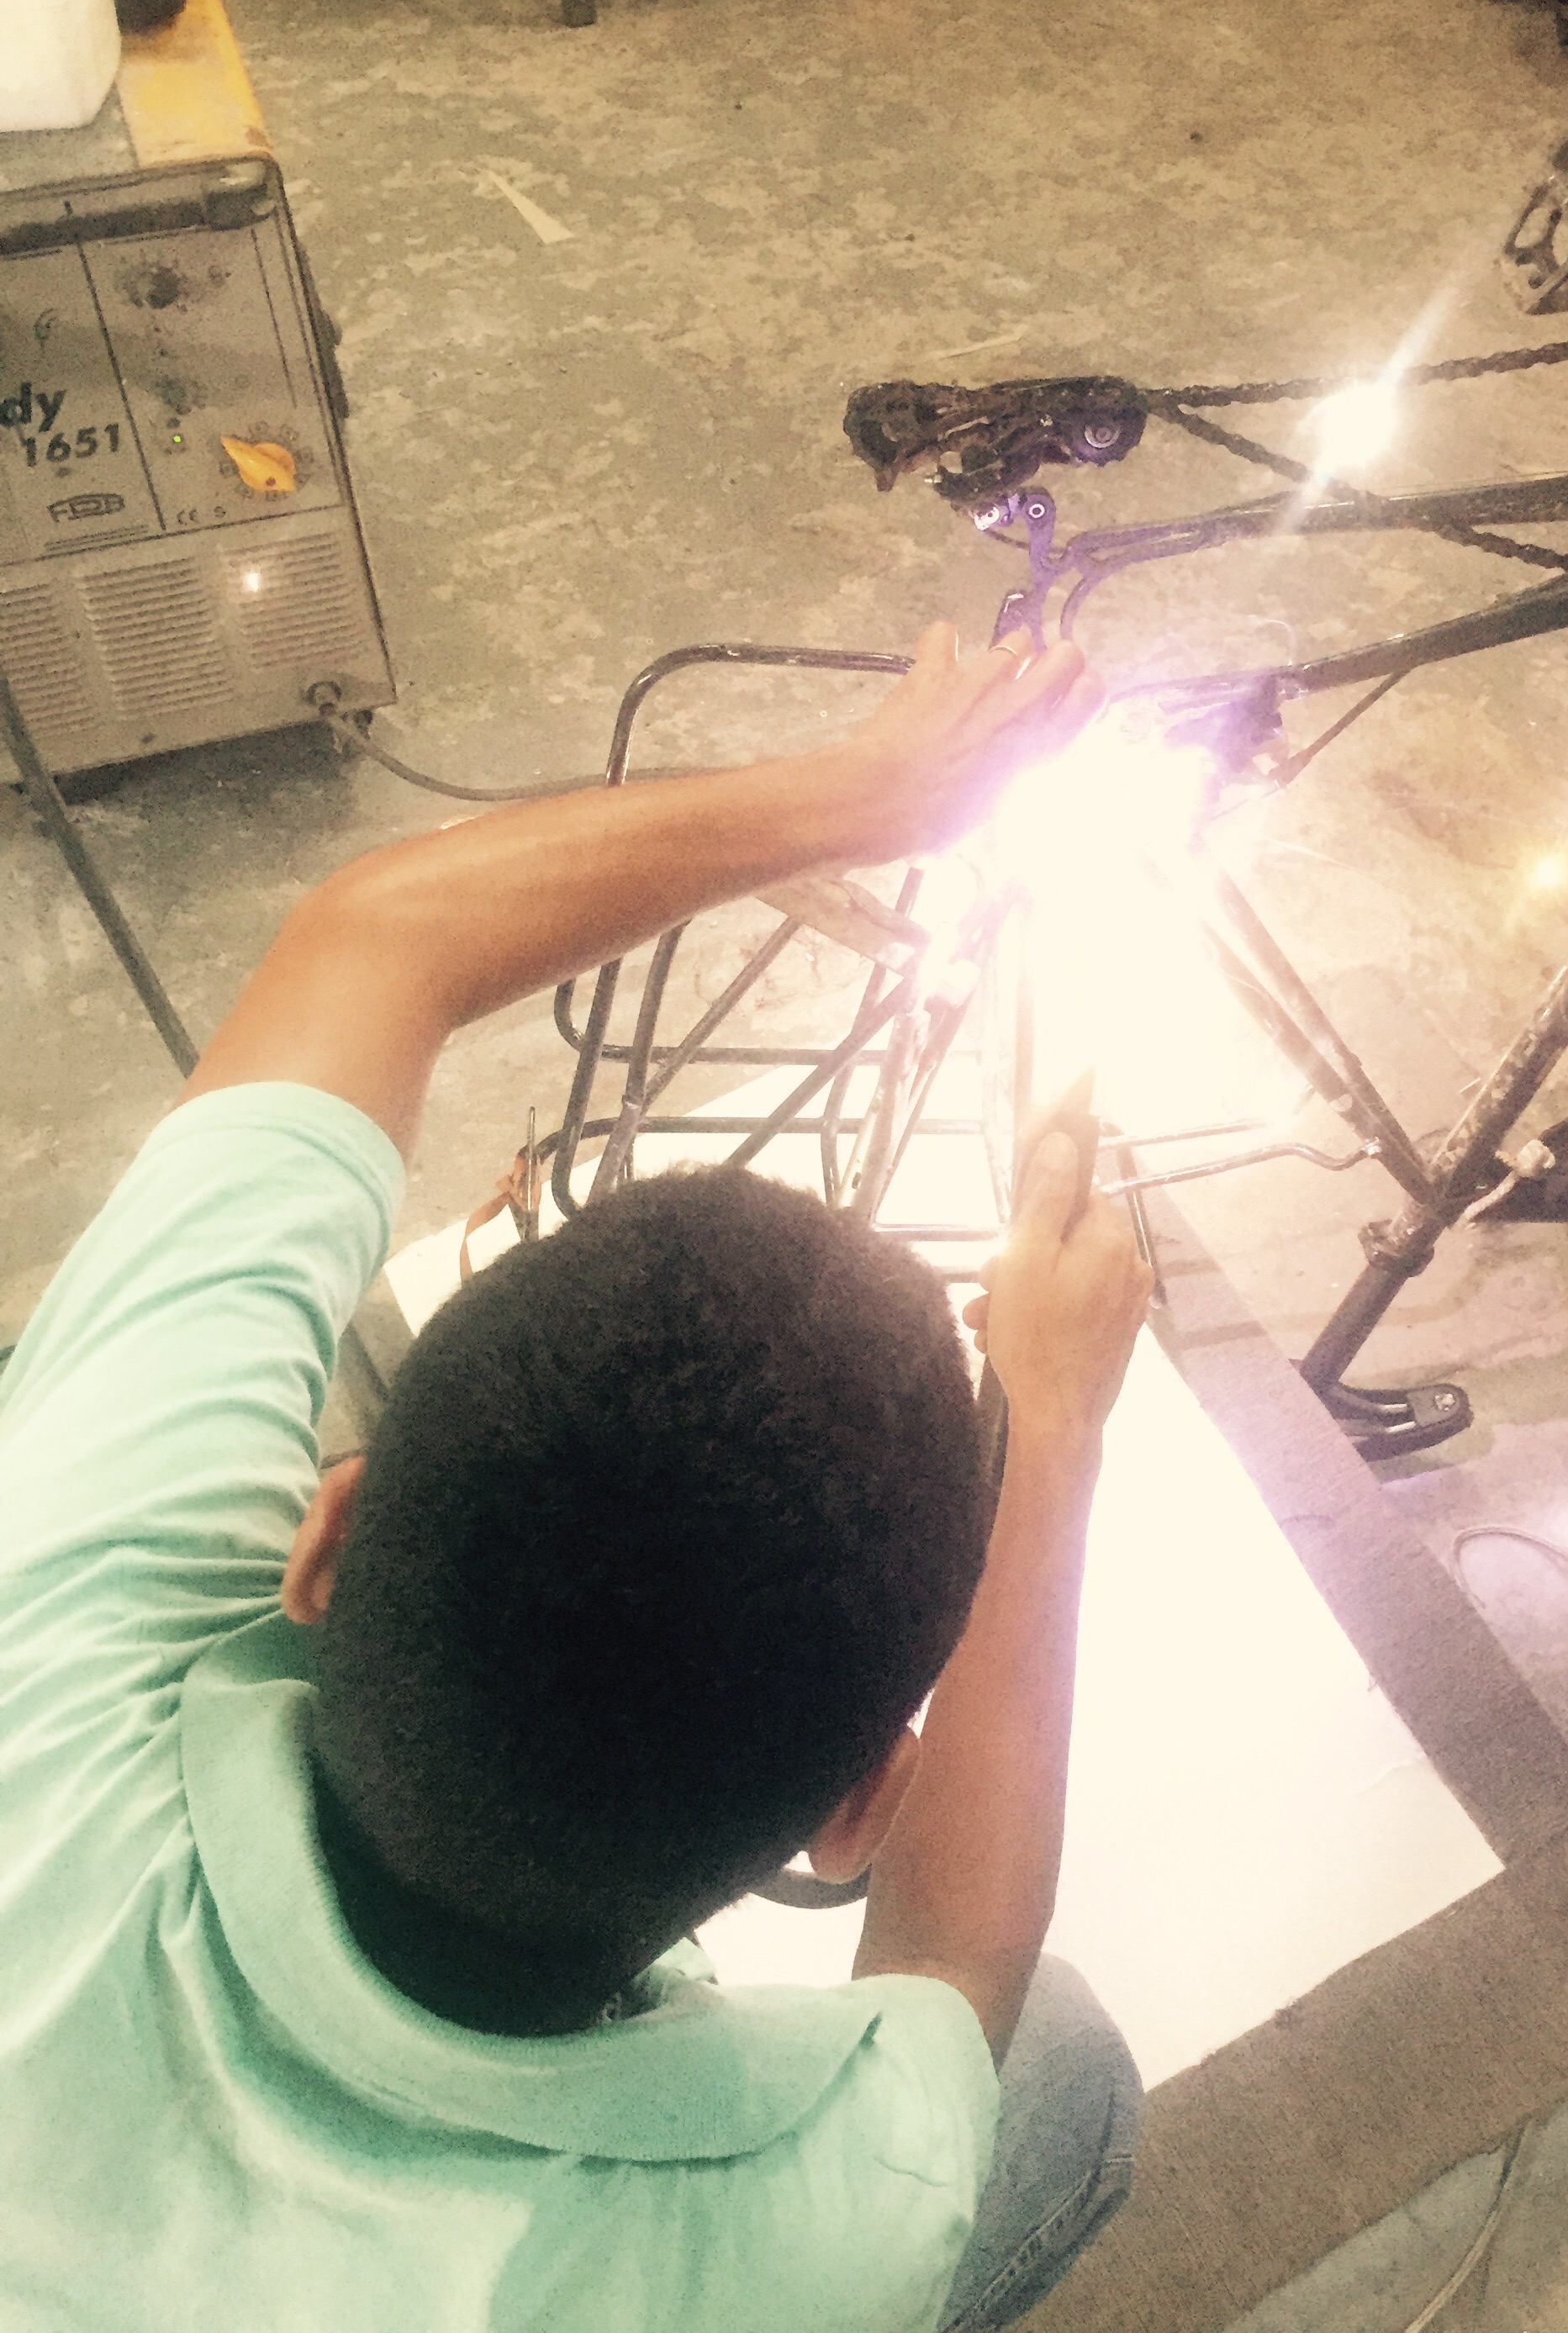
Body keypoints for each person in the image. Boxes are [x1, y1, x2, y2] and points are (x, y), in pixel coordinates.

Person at [0, 623, 1156, 2333]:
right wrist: (1052, 1427)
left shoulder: (54, 1610)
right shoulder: (788, 2253)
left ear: (330, 1538)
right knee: (1061, 2073)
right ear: (852, 1814)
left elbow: (375, 936)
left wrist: (865, 792)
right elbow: (950, 1973)